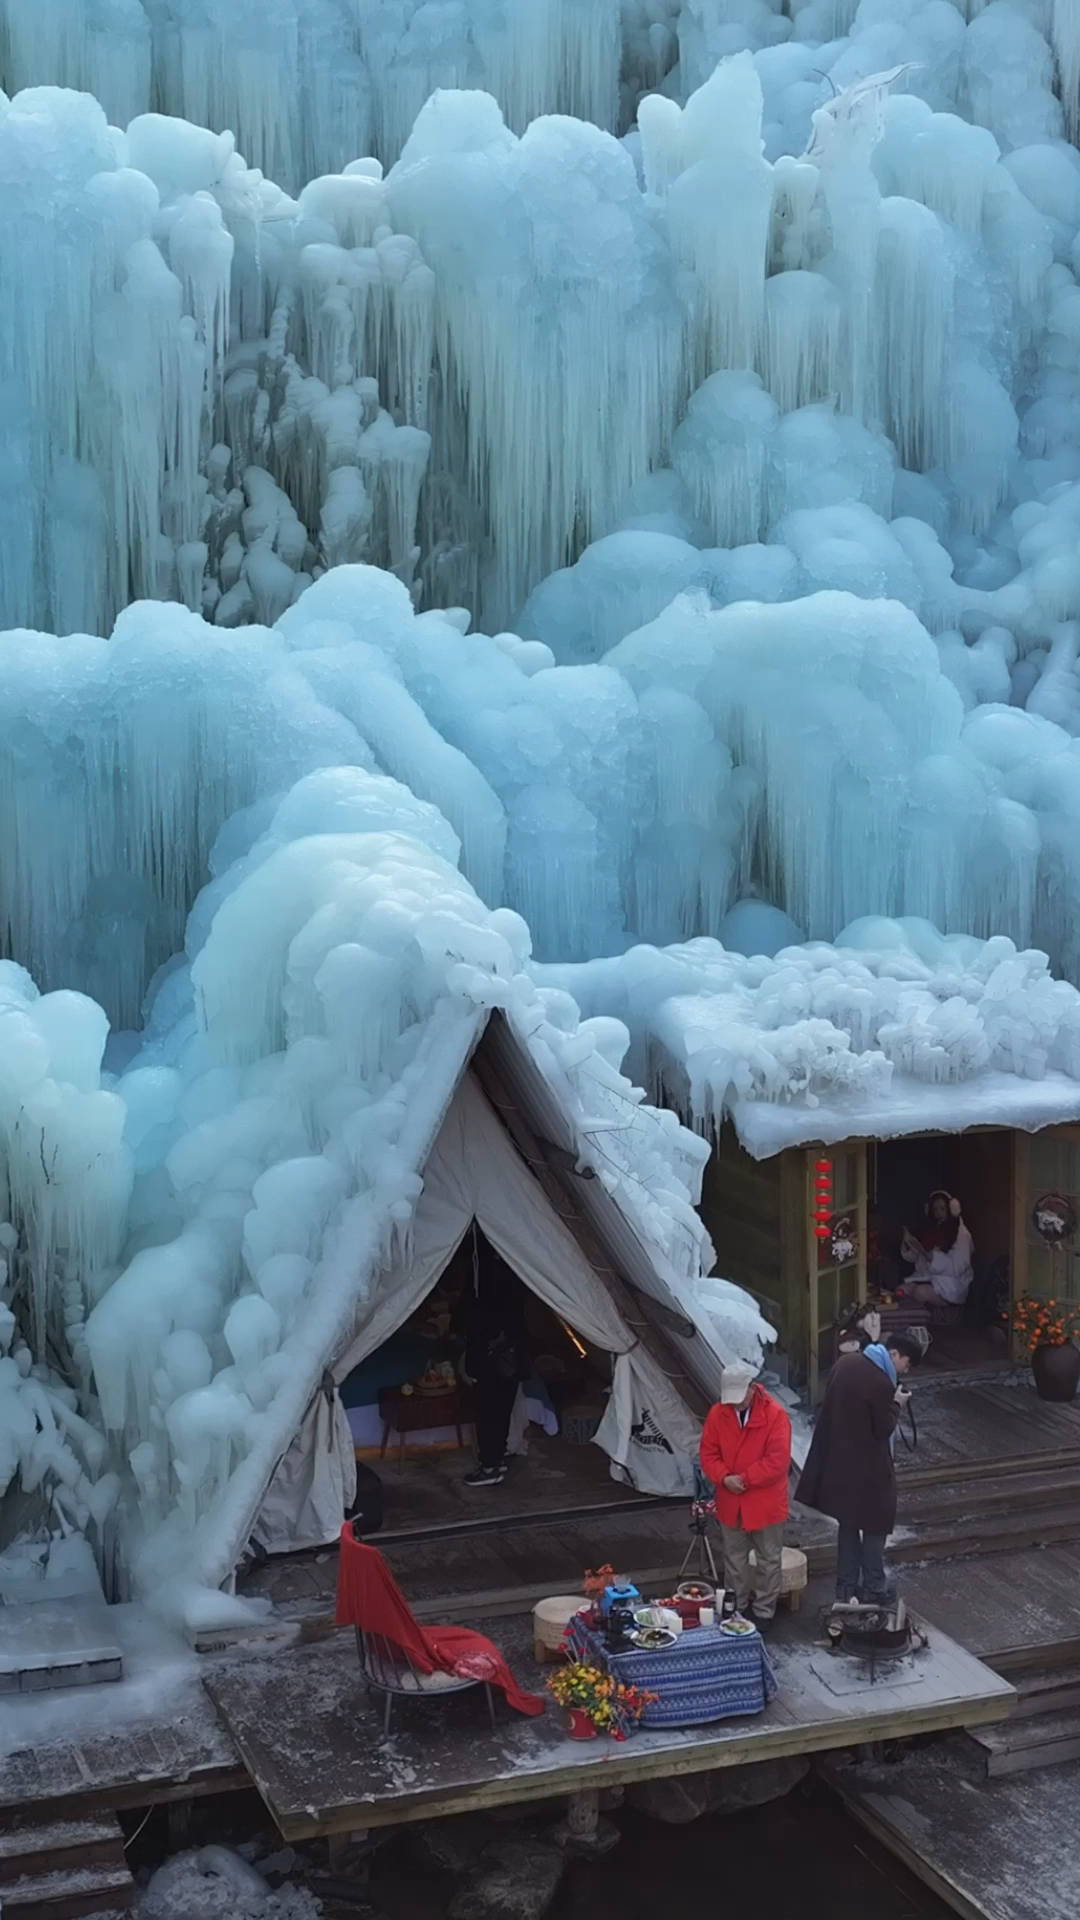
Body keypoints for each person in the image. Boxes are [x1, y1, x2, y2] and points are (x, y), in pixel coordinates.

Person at [796, 1331, 922, 1605]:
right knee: (876, 1523)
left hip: (839, 1458)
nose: (905, 1370)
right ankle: (874, 1585)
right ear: (894, 1355)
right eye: (906, 1363)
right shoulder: (878, 1381)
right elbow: (883, 1428)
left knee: (849, 1523)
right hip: (869, 1466)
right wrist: (897, 1404)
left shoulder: (848, 1363)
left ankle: (846, 1587)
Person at [699, 1363, 792, 1631]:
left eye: (739, 1398)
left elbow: (777, 1461)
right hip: (731, 1497)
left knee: (768, 1558)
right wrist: (724, 1477)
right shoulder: (718, 1413)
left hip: (765, 1501)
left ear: (752, 1389)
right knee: (734, 1558)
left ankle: (764, 1611)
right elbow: (708, 1453)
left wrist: (744, 1479)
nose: (735, 1404)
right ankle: (736, 1608)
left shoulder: (775, 1415)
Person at [458, 1292, 530, 1488]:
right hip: (512, 1361)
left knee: (487, 1415)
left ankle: (489, 1467)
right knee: (502, 1412)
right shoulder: (513, 1288)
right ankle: (497, 1458)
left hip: (492, 1363)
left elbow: (477, 1328)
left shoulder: (485, 1298)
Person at [899, 1190, 974, 1307]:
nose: (939, 1213)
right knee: (901, 1291)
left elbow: (958, 1268)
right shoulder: (929, 1229)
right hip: (926, 1277)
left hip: (950, 1281)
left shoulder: (961, 1234)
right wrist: (909, 1243)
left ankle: (946, 1310)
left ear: (951, 1209)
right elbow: (915, 1258)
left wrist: (932, 1258)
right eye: (935, 1210)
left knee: (920, 1293)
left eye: (942, 1209)